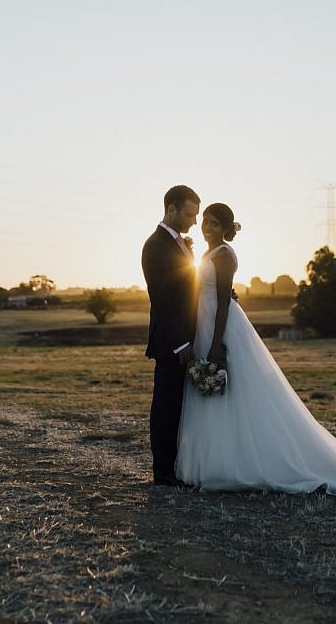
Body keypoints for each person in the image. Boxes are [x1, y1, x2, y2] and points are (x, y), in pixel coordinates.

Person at [176, 203, 336, 494]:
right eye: (205, 221)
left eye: (214, 223)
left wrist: (218, 344)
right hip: (203, 326)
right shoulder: (205, 253)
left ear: (225, 228)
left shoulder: (225, 255)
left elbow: (223, 302)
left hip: (219, 326)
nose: (207, 227)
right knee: (211, 393)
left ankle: (240, 464)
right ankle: (212, 461)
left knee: (234, 391)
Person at [141, 184, 201, 487]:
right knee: (166, 407)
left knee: (180, 407)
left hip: (185, 339)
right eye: (189, 214)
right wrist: (181, 343)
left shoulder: (179, 243)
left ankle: (176, 466)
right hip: (171, 343)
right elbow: (163, 299)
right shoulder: (155, 246)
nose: (193, 221)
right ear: (171, 209)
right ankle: (163, 473)